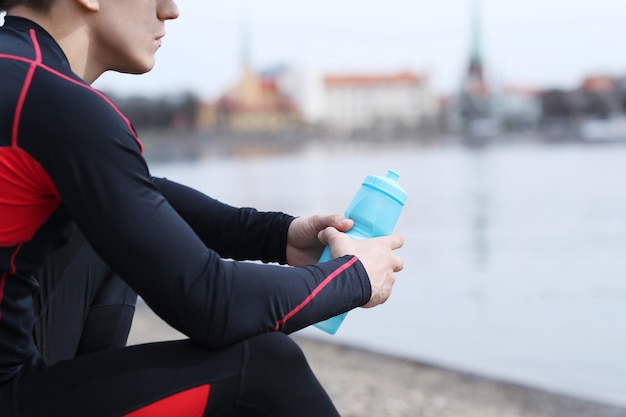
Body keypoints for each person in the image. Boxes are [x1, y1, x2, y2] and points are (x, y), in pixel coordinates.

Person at [0, 0, 404, 416]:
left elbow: (138, 198)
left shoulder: (18, 75)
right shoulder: (56, 102)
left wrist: (279, 237)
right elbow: (211, 305)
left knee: (114, 229)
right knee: (266, 366)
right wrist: (353, 277)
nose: (170, 10)